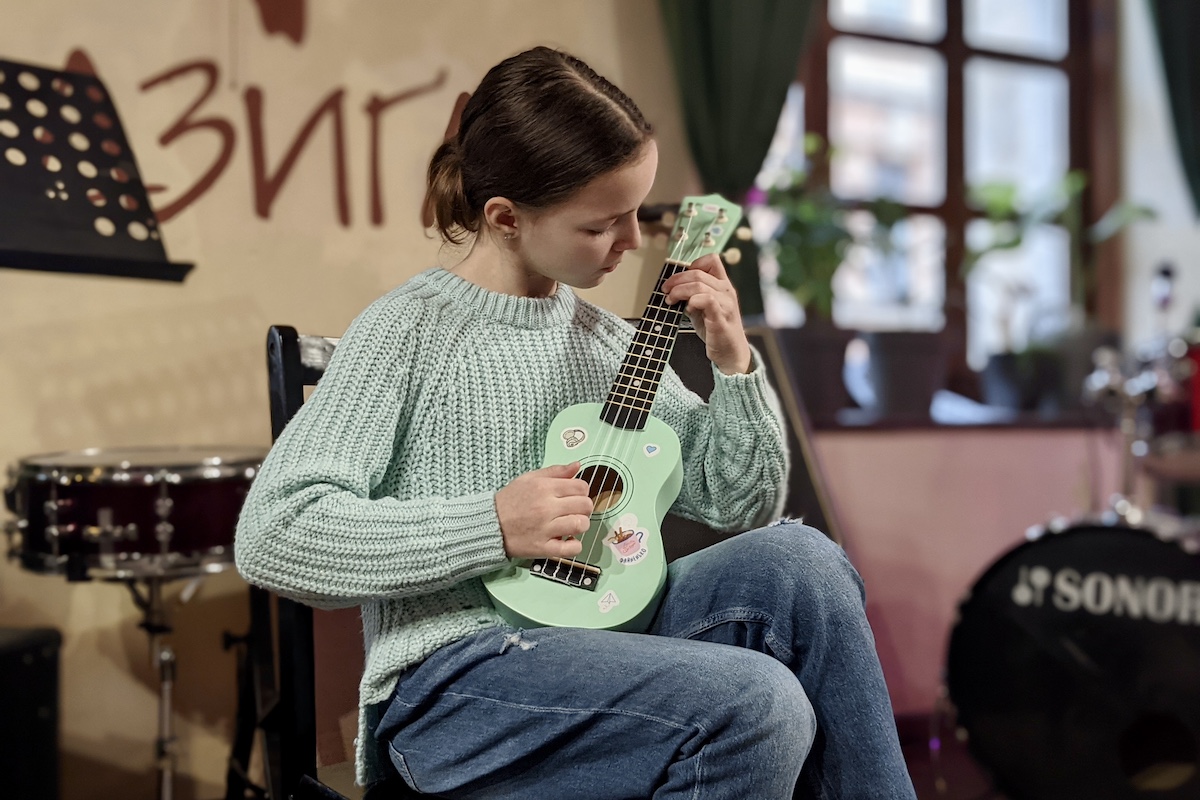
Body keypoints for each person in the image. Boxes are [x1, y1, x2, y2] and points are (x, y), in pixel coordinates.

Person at [235, 46, 916, 799]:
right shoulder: (407, 332)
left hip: (608, 642)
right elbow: (275, 535)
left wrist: (732, 365)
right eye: (602, 224)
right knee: (757, 703)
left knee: (803, 562)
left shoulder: (613, 344)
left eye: (636, 212)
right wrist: (492, 526)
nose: (633, 241)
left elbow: (736, 502)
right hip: (456, 682)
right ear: (506, 218)